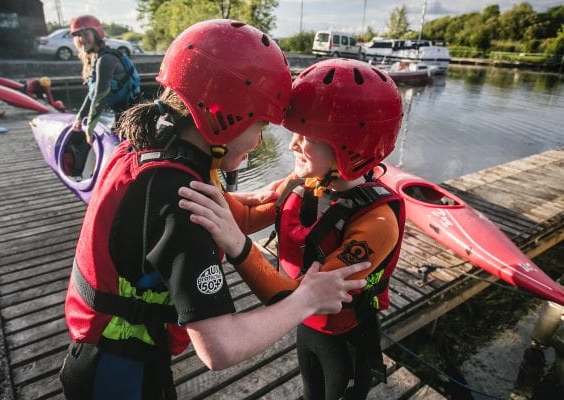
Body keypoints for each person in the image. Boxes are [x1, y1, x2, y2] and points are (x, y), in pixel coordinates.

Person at [59, 20, 370, 400]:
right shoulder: (184, 201)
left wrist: (253, 201)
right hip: (121, 374)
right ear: (228, 116)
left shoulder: (150, 140)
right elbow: (219, 347)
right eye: (260, 126)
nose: (258, 141)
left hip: (97, 355)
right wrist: (308, 298)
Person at [178, 59, 405, 400]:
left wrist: (239, 247)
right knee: (310, 390)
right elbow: (243, 214)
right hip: (304, 327)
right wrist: (204, 165)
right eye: (294, 133)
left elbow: (299, 296)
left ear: (350, 146)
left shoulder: (377, 224)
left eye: (306, 137)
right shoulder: (303, 183)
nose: (291, 145)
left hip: (344, 337)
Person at [70, 15, 141, 144]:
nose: (81, 39)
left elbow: (100, 96)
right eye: (78, 35)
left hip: (131, 119)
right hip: (120, 116)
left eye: (85, 34)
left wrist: (90, 129)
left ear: (97, 34)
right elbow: (92, 94)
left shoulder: (106, 59)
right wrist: (80, 117)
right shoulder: (98, 58)